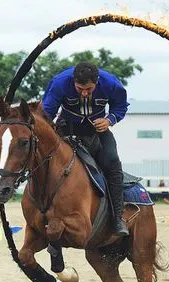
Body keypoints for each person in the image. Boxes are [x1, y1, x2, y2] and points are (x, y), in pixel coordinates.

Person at [42, 62, 129, 237]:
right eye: (80, 88)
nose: (84, 93)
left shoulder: (111, 83)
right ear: (73, 81)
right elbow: (46, 113)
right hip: (66, 129)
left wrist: (110, 120)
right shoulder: (59, 83)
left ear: (97, 82)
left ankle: (117, 218)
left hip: (97, 131)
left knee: (112, 161)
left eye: (89, 89)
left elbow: (120, 106)